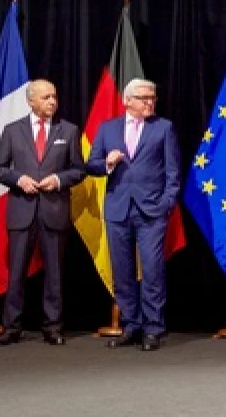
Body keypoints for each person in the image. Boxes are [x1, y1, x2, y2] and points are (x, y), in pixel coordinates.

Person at [0, 79, 86, 347]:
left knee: (54, 273)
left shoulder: (69, 130)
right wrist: (18, 179)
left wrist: (58, 179)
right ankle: (11, 327)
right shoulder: (12, 131)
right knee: (16, 272)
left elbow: (78, 170)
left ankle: (52, 326)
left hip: (54, 211)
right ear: (31, 101)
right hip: (22, 211)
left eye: (54, 97)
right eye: (46, 97)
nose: (52, 102)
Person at [86, 78, 181, 351]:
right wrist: (107, 162)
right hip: (118, 209)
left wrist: (166, 204)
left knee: (152, 270)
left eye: (152, 97)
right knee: (123, 271)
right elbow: (91, 165)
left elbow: (173, 173)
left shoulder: (164, 128)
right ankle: (131, 325)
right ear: (127, 100)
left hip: (152, 211)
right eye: (144, 97)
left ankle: (153, 328)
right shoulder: (108, 129)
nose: (150, 102)